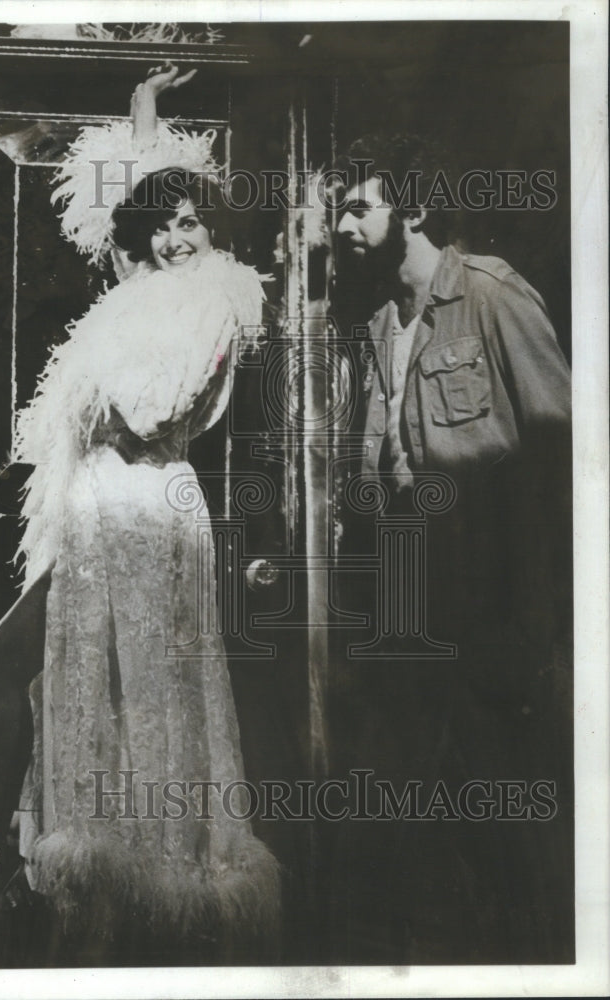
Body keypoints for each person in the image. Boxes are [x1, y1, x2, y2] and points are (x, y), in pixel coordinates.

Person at [0, 64, 280, 960]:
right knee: (51, 682)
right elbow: (121, 244)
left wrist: (100, 367)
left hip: (143, 514)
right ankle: (54, 888)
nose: (176, 238)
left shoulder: (215, 300)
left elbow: (151, 410)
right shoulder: (142, 300)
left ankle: (126, 894)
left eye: (190, 220)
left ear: (211, 230)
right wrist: (145, 114)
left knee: (134, 693)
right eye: (160, 223)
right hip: (101, 515)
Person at [325, 133, 573, 962]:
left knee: (509, 810)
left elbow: (563, 452)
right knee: (411, 809)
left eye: (360, 206)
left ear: (416, 209)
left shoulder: (491, 293)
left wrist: (537, 607)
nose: (343, 225)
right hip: (407, 603)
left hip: (490, 603)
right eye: (338, 210)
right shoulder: (381, 320)